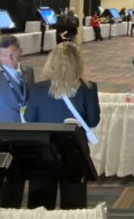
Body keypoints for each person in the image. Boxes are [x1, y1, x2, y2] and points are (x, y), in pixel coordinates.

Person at [22, 43, 99, 209]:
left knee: (40, 204)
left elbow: (29, 119)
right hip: (75, 149)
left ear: (51, 63)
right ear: (79, 63)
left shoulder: (38, 89)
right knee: (74, 204)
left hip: (43, 150)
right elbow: (93, 121)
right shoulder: (88, 88)